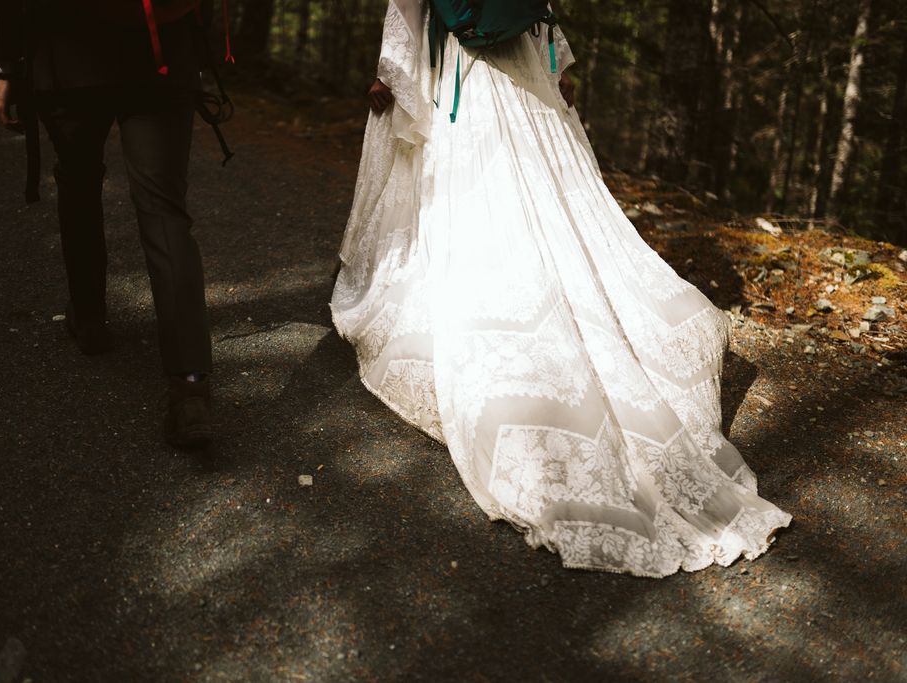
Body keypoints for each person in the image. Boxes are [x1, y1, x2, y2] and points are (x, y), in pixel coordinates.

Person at [331, 0, 791, 577]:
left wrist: (391, 73)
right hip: (524, 67)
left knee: (478, 201)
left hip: (463, 74)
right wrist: (557, 66)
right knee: (555, 205)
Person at [0, 0, 214, 448]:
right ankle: (190, 387)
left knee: (78, 182)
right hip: (160, 55)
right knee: (165, 211)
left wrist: (8, 66)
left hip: (67, 55)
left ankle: (89, 318)